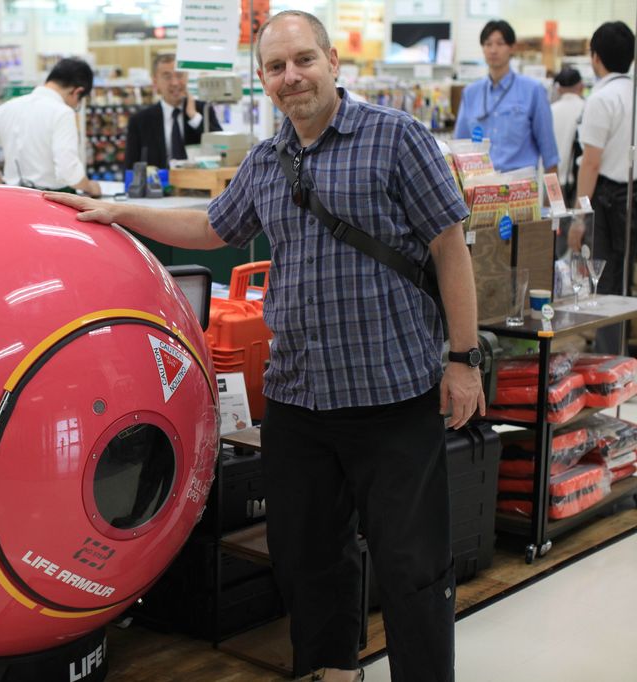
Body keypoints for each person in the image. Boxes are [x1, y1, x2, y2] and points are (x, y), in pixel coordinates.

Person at [46, 10, 482, 682]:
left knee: (412, 566)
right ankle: (329, 671)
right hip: (300, 400)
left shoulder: (395, 138)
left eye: (303, 60)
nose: (291, 76)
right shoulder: (265, 160)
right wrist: (122, 212)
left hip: (394, 395)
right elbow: (212, 225)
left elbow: (449, 248)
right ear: (263, 80)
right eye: (276, 67)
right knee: (308, 560)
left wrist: (462, 359)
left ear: (333, 62)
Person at [568, 22, 637, 353]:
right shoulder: (632, 93)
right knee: (626, 281)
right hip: (631, 197)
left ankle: (609, 365)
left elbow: (591, 163)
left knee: (605, 285)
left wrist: (579, 217)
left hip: (608, 200)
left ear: (595, 57)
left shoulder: (601, 98)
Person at [0, 57, 101, 197]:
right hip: (53, 200)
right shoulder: (62, 113)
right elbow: (68, 171)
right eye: (79, 101)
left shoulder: (8, 108)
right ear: (77, 92)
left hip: (13, 197)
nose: (75, 106)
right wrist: (89, 187)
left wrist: (0, 184)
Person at [454, 20, 558, 175]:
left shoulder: (533, 90)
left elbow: (549, 153)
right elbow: (459, 146)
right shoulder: (470, 93)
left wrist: (553, 198)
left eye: (500, 43)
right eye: (488, 44)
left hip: (521, 191)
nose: (493, 50)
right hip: (480, 187)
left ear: (512, 48)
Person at [124, 53, 222, 169]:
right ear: (155, 81)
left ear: (187, 77)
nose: (175, 83)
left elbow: (221, 147)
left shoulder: (203, 110)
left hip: (198, 183)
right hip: (158, 184)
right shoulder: (140, 121)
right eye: (167, 76)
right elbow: (130, 166)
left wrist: (194, 117)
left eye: (179, 75)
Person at [551, 67, 585, 198]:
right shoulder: (586, 108)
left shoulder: (550, 110)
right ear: (581, 86)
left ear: (559, 89)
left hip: (552, 178)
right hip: (577, 180)